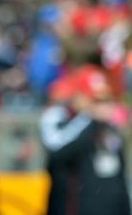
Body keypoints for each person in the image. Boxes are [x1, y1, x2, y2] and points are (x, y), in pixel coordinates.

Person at [40, 64, 131, 215]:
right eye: (95, 100)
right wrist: (88, 118)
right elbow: (57, 152)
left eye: (104, 99)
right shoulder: (63, 118)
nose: (101, 105)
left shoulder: (108, 128)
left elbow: (118, 174)